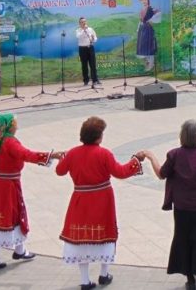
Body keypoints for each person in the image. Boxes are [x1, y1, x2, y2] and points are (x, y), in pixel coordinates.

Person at [57, 117, 143, 290]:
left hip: (80, 199)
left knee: (81, 237)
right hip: (102, 199)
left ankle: (84, 280)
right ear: (98, 136)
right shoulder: (104, 153)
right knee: (104, 234)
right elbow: (120, 172)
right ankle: (104, 274)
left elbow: (60, 171)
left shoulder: (73, 153)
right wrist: (136, 160)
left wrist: (63, 157)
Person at [0, 114, 64, 272]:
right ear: (9, 127)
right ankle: (19, 251)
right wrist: (51, 155)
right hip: (7, 187)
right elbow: (26, 154)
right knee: (14, 216)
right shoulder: (10, 142)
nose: (17, 127)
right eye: (15, 124)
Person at [143, 120, 196, 290]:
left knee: (182, 237)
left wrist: (151, 157)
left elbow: (161, 174)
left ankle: (188, 274)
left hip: (182, 205)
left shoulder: (174, 155)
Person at [136, 0, 160, 71]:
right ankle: (147, 63)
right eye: (143, 0)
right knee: (142, 47)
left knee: (149, 46)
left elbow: (159, 13)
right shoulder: (142, 10)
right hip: (142, 30)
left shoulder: (151, 8)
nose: (144, 1)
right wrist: (138, 29)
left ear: (148, 0)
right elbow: (140, 21)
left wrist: (151, 20)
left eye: (145, 0)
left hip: (149, 29)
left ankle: (151, 64)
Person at [75, 17, 100, 86]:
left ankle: (95, 80)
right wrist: (84, 30)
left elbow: (95, 37)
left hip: (90, 47)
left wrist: (93, 40)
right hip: (82, 49)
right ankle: (86, 80)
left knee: (93, 64)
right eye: (82, 22)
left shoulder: (91, 29)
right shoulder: (78, 30)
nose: (84, 23)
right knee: (84, 65)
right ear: (79, 23)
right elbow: (78, 37)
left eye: (85, 22)